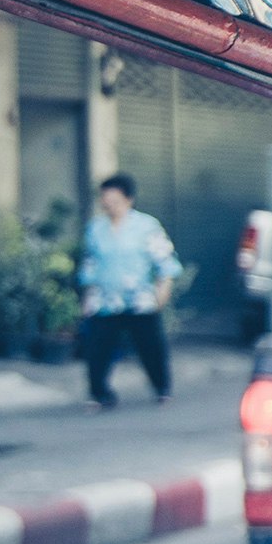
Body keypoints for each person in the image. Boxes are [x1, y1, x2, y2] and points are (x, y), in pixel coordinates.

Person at [77, 173, 180, 407]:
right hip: (105, 300)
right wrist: (87, 296)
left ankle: (161, 387)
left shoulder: (146, 226)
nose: (109, 205)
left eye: (115, 200)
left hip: (139, 299)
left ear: (128, 199)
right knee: (97, 348)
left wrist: (163, 289)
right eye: (105, 200)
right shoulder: (96, 228)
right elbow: (90, 264)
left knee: (150, 346)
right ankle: (99, 393)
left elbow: (164, 260)